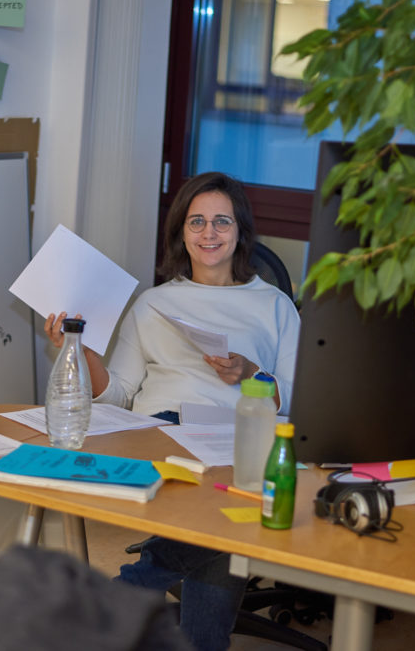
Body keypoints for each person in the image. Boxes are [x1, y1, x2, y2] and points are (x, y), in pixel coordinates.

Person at [44, 172, 300, 651]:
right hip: (162, 433)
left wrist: (253, 374)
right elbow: (118, 394)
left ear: (240, 230)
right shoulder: (153, 303)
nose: (209, 233)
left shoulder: (276, 306)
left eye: (221, 222)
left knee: (223, 521)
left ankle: (121, 593)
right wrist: (79, 351)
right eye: (197, 222)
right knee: (226, 526)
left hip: (236, 438)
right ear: (181, 232)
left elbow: (301, 398)